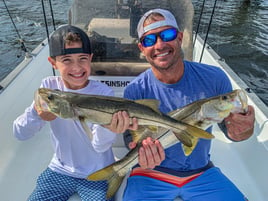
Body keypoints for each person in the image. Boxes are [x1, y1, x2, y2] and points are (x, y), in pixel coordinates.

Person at [122, 8, 255, 201]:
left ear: (180, 37)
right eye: (149, 40)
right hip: (150, 172)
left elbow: (231, 132)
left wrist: (243, 131)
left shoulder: (215, 78)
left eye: (167, 35)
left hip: (201, 172)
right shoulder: (135, 90)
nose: (159, 45)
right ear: (142, 48)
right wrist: (139, 151)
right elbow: (130, 136)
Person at [13, 25, 137, 201]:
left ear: (91, 58)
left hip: (98, 172)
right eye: (67, 60)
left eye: (82, 58)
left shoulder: (103, 93)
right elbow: (20, 133)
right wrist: (36, 114)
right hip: (59, 170)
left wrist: (109, 127)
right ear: (53, 62)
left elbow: (99, 146)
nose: (76, 67)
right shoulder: (49, 89)